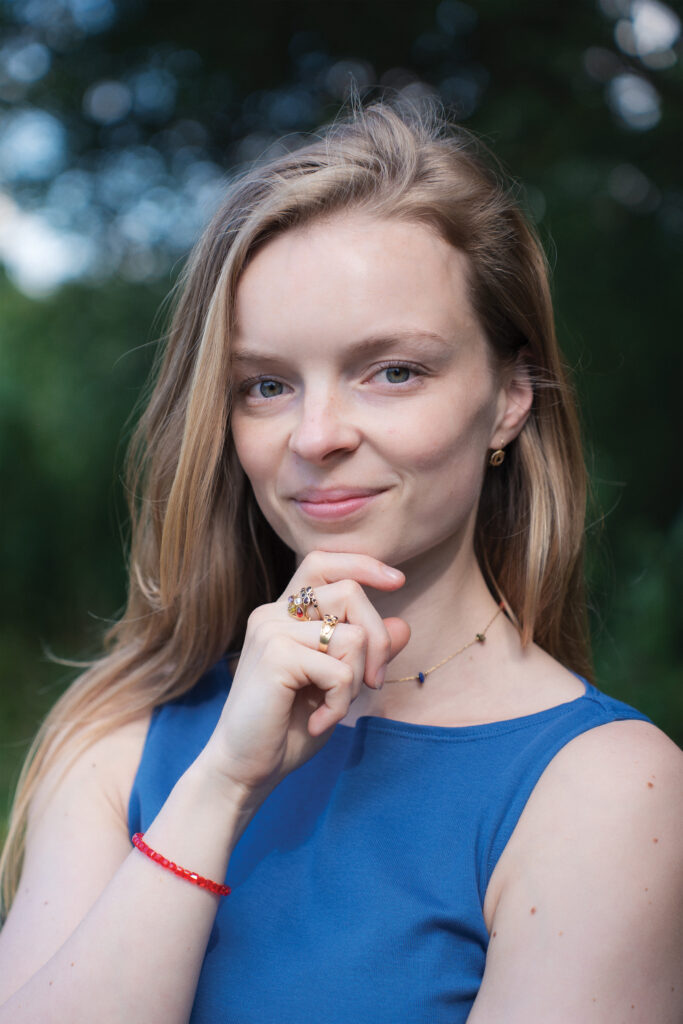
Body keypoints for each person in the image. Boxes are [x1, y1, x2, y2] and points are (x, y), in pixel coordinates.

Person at [0, 98, 681, 1024]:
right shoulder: (121, 740)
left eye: (392, 370)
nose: (315, 436)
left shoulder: (610, 792)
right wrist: (220, 788)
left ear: (509, 397)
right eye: (266, 385)